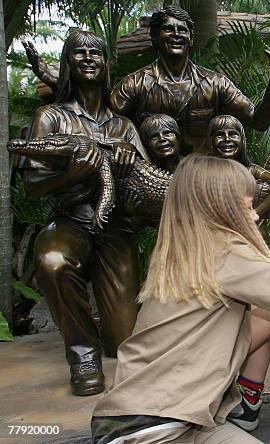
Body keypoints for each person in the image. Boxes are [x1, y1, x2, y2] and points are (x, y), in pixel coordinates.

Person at [90, 155, 270, 444]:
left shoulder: (188, 254)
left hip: (181, 420)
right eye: (248, 207)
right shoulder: (225, 252)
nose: (255, 216)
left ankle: (249, 399)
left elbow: (246, 332)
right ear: (219, 210)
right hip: (148, 427)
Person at [21, 30, 148, 396]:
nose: (89, 58)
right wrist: (73, 173)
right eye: (80, 53)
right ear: (67, 63)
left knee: (123, 343)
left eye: (97, 53)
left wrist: (129, 160)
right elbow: (32, 184)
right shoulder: (50, 117)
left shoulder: (124, 125)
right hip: (71, 220)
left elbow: (143, 187)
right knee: (53, 259)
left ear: (107, 64)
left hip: (115, 228)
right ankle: (82, 353)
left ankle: (99, 329)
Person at [110, 6, 270, 155]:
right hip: (153, 177)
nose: (176, 34)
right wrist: (122, 141)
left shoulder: (216, 83)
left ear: (191, 38)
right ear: (154, 37)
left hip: (204, 179)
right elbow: (106, 122)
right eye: (168, 29)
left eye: (182, 30)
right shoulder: (134, 84)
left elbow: (258, 121)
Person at [209, 114, 270, 217]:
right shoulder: (204, 171)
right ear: (211, 140)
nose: (227, 139)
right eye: (220, 135)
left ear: (242, 139)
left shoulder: (251, 170)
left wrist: (255, 213)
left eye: (233, 134)